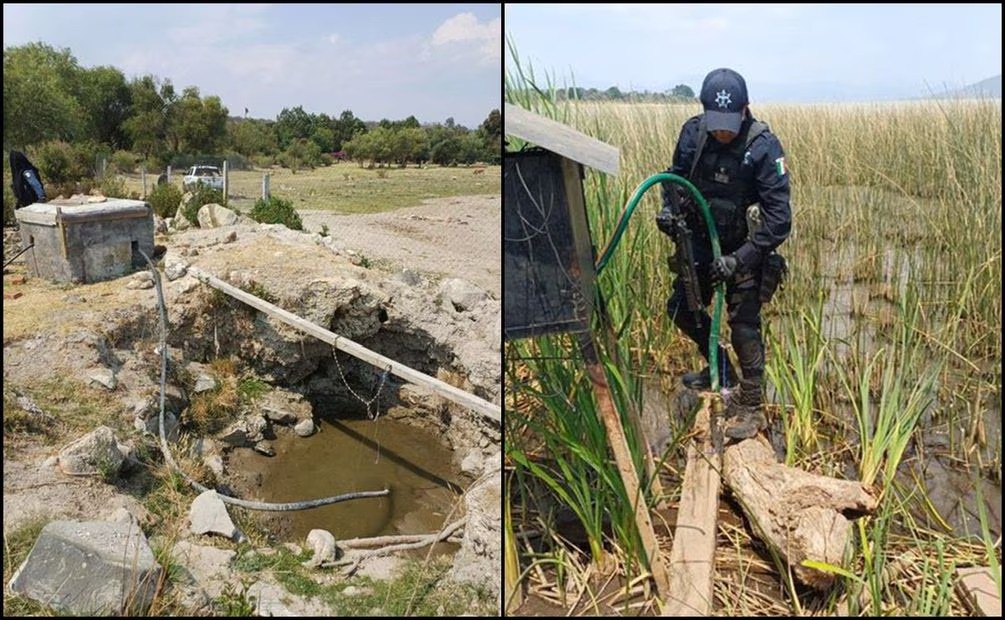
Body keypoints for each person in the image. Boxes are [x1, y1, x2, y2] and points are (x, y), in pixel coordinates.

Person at [656, 67, 791, 440]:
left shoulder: (763, 147)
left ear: (746, 109)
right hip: (700, 241)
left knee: (744, 324)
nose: (722, 132)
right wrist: (670, 213)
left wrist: (740, 259)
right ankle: (719, 370)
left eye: (729, 124)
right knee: (681, 309)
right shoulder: (692, 135)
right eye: (716, 123)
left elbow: (779, 221)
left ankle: (750, 403)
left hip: (745, 249)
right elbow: (674, 182)